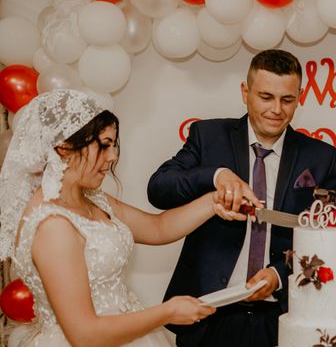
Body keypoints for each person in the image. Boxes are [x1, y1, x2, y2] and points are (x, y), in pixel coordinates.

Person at [0, 89, 246, 346]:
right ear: (64, 147)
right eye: (104, 145)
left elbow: (157, 227)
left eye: (114, 145)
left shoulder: (92, 198)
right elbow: (84, 334)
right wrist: (167, 312)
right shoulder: (52, 226)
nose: (114, 156)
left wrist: (214, 202)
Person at [147, 49, 336, 347]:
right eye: (266, 97)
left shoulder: (321, 157)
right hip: (208, 315)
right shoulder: (208, 136)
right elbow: (159, 188)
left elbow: (329, 238)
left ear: (299, 97)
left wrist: (278, 274)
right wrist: (216, 175)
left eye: (287, 99)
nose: (277, 109)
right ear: (245, 92)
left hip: (281, 317)